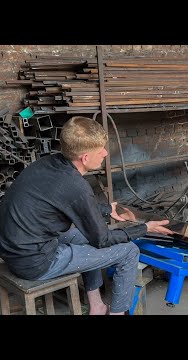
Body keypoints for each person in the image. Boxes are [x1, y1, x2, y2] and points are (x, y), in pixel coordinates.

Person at [0, 116, 174, 315]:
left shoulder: (49, 163)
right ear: (84, 157)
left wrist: (108, 209)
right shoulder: (77, 186)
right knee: (129, 252)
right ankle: (117, 313)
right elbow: (102, 240)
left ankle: (97, 307)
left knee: (84, 236)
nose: (105, 153)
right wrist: (145, 228)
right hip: (35, 263)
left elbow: (68, 202)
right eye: (100, 150)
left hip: (15, 250)